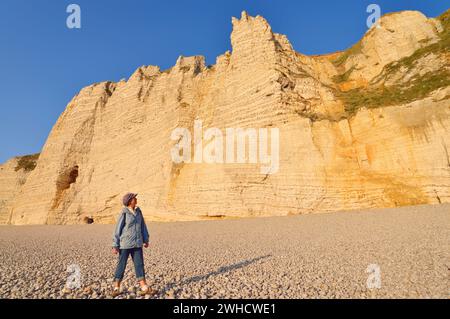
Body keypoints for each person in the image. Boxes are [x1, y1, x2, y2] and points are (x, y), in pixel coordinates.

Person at [111, 193, 157, 297]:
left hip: (137, 243)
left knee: (139, 264)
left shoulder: (138, 212)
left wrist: (146, 239)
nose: (136, 199)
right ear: (129, 201)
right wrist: (115, 244)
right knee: (121, 265)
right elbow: (118, 229)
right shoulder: (124, 212)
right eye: (134, 198)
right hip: (125, 244)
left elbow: (143, 226)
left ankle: (144, 287)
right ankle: (116, 287)